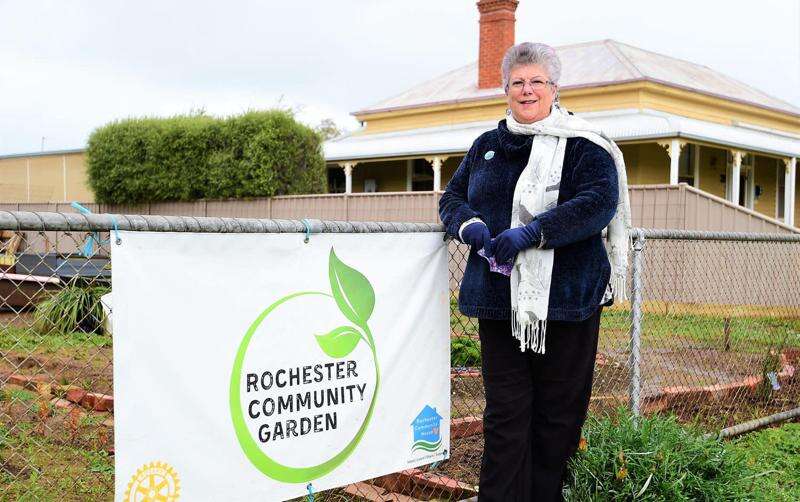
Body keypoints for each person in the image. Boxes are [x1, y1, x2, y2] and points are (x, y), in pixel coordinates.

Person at [439, 42, 631, 501]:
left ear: (554, 88)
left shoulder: (587, 146)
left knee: (558, 417)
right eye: (517, 82)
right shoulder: (487, 146)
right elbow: (451, 199)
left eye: (536, 81)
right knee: (505, 415)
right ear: (505, 89)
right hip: (498, 300)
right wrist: (472, 225)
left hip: (566, 303)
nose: (527, 90)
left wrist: (533, 233)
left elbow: (597, 203)